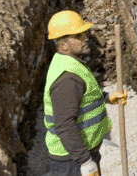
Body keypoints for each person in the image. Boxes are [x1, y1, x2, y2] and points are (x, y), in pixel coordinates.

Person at [44, 10, 127, 176]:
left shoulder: (72, 63)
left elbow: (83, 97)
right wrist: (85, 162)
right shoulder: (67, 78)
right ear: (63, 45)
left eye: (84, 33)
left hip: (80, 153)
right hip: (72, 161)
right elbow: (64, 125)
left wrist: (107, 98)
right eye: (78, 35)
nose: (85, 38)